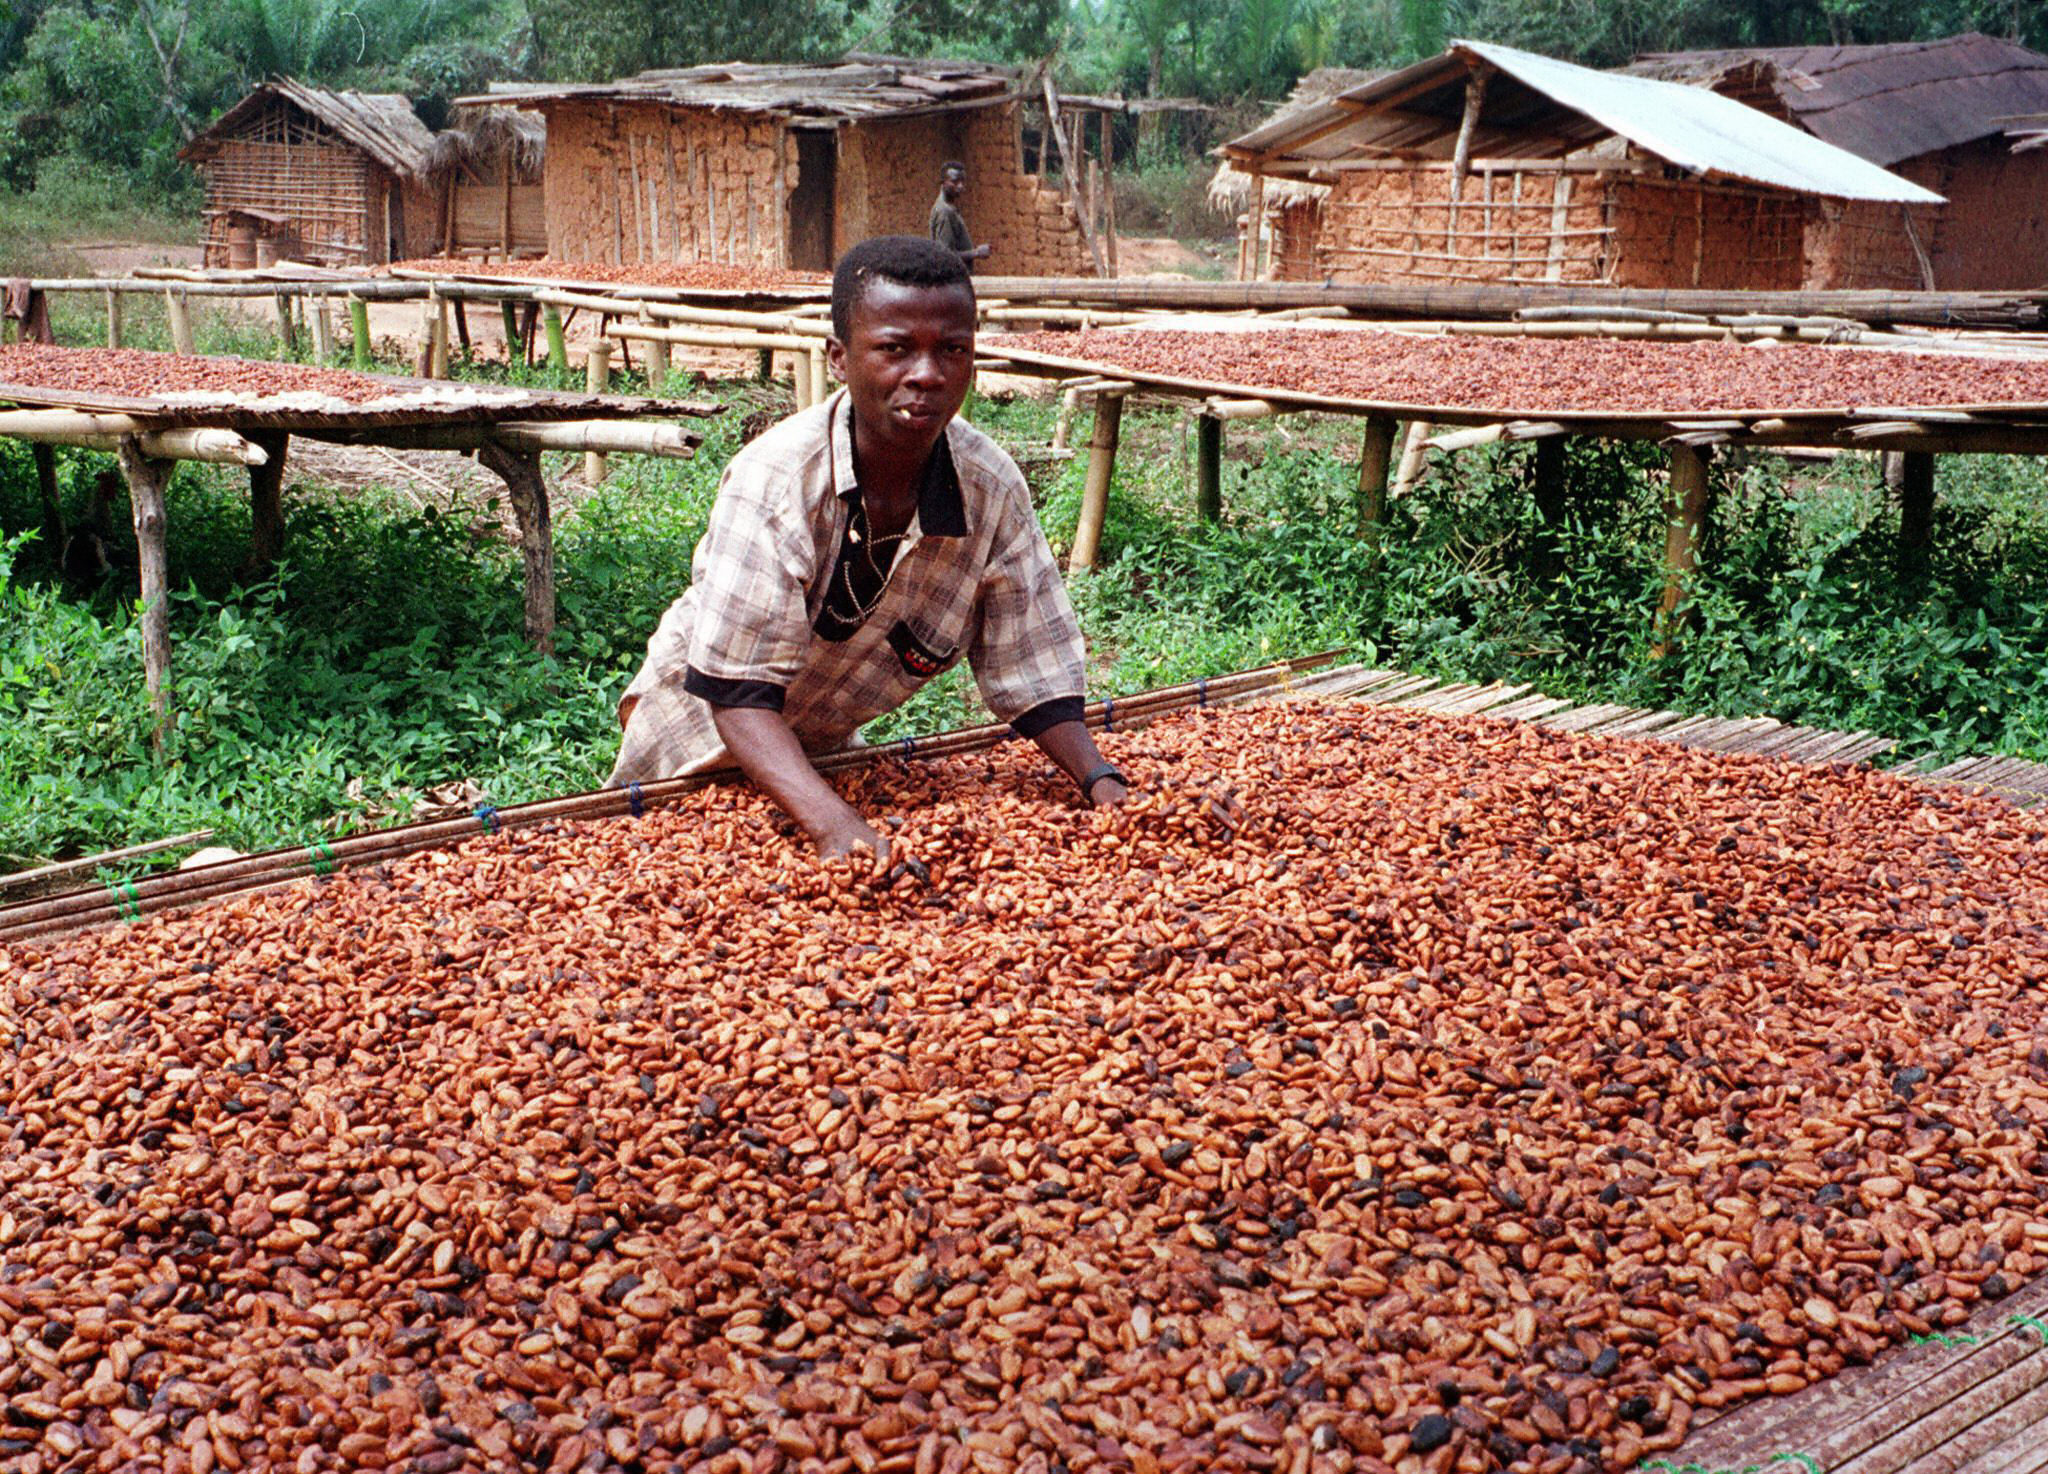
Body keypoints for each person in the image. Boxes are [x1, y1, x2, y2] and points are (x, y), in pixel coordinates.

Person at [609, 236, 1127, 863]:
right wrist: (832, 825)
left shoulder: (989, 488)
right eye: (894, 349)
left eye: (953, 350)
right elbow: (738, 692)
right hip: (693, 740)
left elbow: (1033, 665)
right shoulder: (777, 480)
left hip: (823, 752)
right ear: (838, 356)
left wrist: (1102, 783)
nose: (927, 375)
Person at [929, 163, 992, 268]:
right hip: (952, 280)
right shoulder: (945, 211)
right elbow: (945, 255)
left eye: (962, 181)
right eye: (955, 181)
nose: (960, 186)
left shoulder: (949, 208)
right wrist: (976, 253)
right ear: (943, 182)